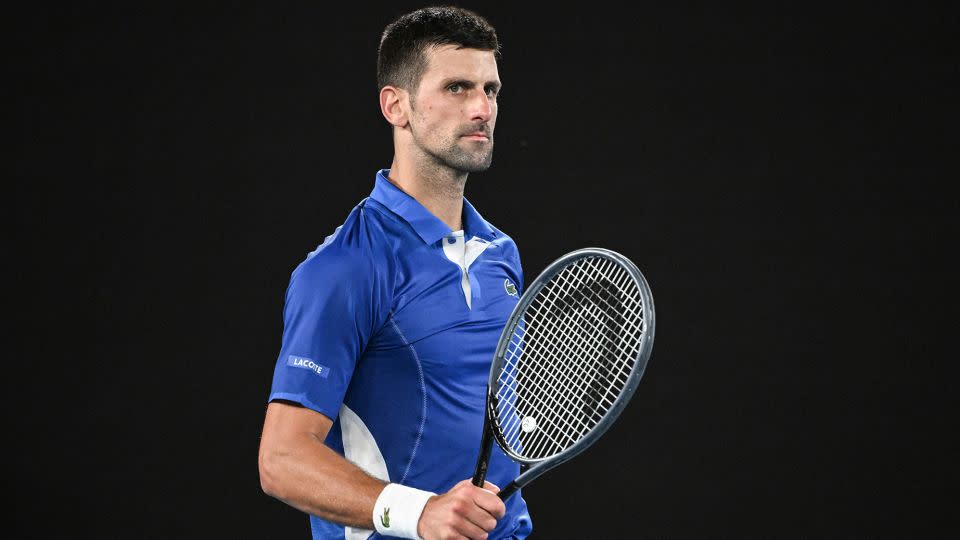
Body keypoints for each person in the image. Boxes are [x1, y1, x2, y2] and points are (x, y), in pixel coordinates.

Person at [258, 6, 532, 539]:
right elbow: (282, 458)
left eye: (491, 89)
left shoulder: (502, 253)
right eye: (457, 88)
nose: (482, 108)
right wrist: (419, 512)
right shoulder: (344, 268)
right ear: (396, 106)